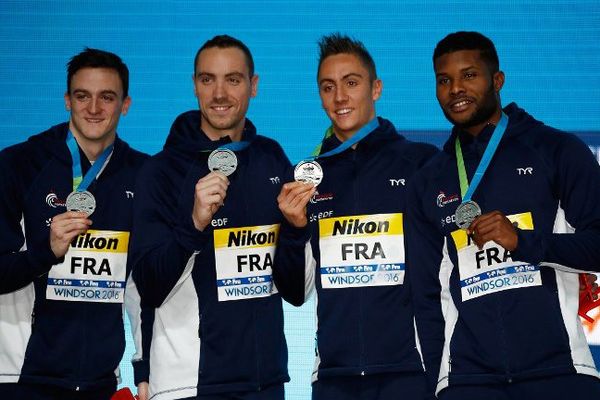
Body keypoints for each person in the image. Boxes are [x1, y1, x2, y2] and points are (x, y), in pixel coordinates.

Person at [405, 31, 600, 400]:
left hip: (559, 372)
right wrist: (439, 383)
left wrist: (522, 241)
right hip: (467, 383)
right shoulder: (429, 180)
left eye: (469, 75)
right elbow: (425, 297)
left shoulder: (556, 150)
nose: (455, 89)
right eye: (444, 80)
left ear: (497, 80)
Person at [274, 33, 438, 400]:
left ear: (376, 88)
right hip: (334, 377)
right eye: (328, 87)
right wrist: (295, 229)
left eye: (352, 83)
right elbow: (294, 293)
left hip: (410, 372)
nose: (340, 97)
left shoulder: (422, 164)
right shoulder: (307, 178)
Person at [130, 35, 291, 400]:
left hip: (264, 382)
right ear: (194, 85)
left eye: (233, 79)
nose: (219, 93)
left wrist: (297, 230)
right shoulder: (160, 171)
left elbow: (292, 283)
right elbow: (149, 287)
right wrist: (194, 224)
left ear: (254, 86)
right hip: (188, 383)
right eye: (207, 79)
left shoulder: (271, 158)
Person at [0, 48, 149, 399]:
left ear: (125, 104)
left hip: (100, 382)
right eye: (82, 96)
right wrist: (45, 251)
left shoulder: (143, 175)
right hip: (21, 378)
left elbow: (143, 289)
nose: (94, 109)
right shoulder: (18, 166)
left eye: (106, 97)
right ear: (67, 100)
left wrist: (145, 370)